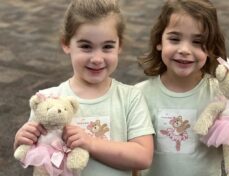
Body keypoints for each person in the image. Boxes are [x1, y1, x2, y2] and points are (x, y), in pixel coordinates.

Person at [13, 0, 155, 175]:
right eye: (86, 46)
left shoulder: (130, 97)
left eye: (107, 47)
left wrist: (90, 143)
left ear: (120, 46)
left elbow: (143, 157)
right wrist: (21, 140)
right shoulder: (48, 99)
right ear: (66, 44)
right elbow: (32, 154)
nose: (97, 58)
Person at [135, 0, 229, 176]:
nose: (184, 50)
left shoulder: (222, 96)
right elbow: (132, 158)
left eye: (198, 42)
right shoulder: (139, 95)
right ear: (159, 40)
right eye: (175, 39)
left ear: (211, 48)